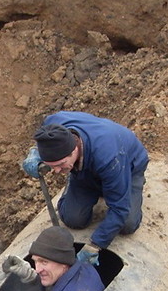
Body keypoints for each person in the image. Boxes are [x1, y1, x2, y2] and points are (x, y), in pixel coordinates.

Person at [21, 111, 149, 264]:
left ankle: (129, 185)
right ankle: (87, 185)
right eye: (52, 166)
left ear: (74, 149)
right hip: (84, 169)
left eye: (61, 165)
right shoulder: (55, 124)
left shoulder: (109, 159)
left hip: (128, 166)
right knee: (73, 219)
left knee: (127, 224)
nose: (56, 171)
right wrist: (35, 151)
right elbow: (45, 128)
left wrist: (95, 245)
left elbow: (120, 209)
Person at [2, 226, 104, 291]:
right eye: (36, 261)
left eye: (44, 262)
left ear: (63, 262)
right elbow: (57, 286)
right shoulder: (83, 267)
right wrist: (31, 277)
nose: (37, 269)